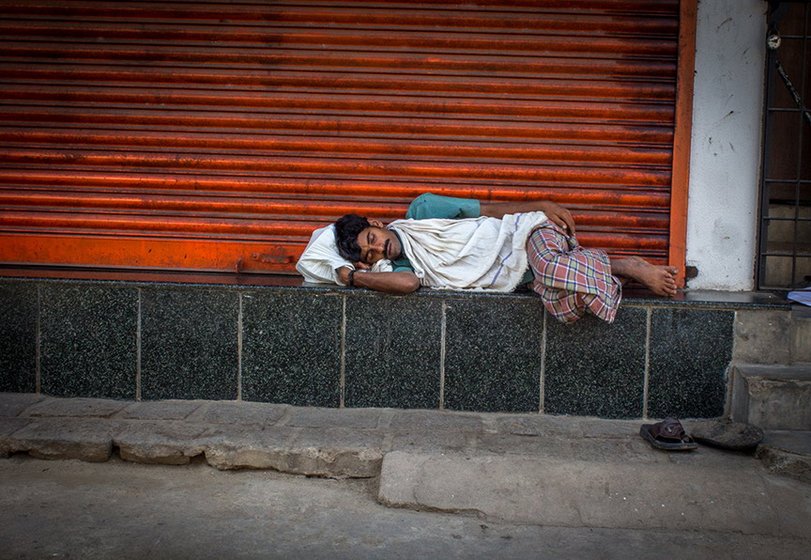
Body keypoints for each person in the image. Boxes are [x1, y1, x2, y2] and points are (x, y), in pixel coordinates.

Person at [301, 193, 677, 324]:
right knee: (566, 307)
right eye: (368, 255)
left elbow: (490, 209)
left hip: (524, 236)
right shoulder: (402, 266)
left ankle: (628, 267)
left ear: (377, 224)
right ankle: (616, 268)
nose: (377, 249)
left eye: (372, 239)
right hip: (520, 276)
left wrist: (542, 205)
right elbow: (409, 284)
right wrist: (351, 277)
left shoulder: (423, 210)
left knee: (549, 266)